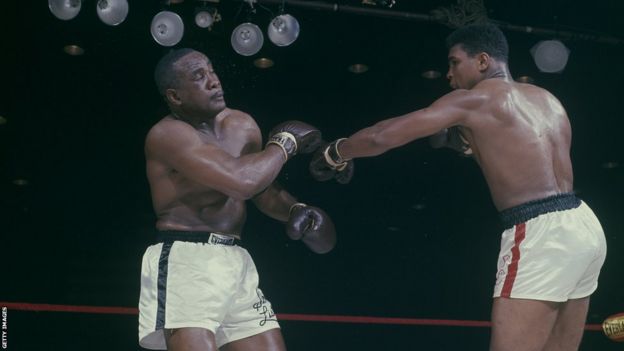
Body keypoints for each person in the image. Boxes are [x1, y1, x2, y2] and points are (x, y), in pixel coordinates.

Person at [310, 23, 607, 351]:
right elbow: (521, 154)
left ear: (482, 61)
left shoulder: (474, 100)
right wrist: (467, 144)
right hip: (585, 225)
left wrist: (335, 151)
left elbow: (382, 135)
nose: (449, 75)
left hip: (541, 234)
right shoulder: (547, 99)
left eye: (454, 62)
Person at [138, 48, 337, 351]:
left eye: (212, 71)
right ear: (175, 96)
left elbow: (261, 188)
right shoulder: (167, 135)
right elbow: (242, 181)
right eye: (198, 76)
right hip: (186, 260)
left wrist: (295, 209)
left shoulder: (241, 125)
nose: (213, 81)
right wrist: (284, 144)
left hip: (235, 259)